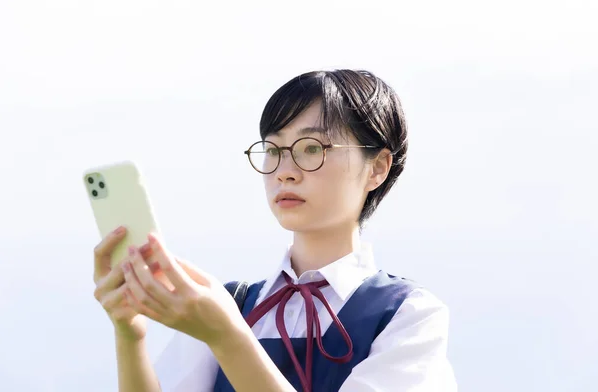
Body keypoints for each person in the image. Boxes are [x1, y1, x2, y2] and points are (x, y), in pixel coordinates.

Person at [92, 69, 457, 392]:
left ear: (377, 167)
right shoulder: (230, 303)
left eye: (311, 148)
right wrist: (130, 334)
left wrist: (228, 337)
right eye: (273, 149)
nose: (284, 170)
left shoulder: (408, 314)